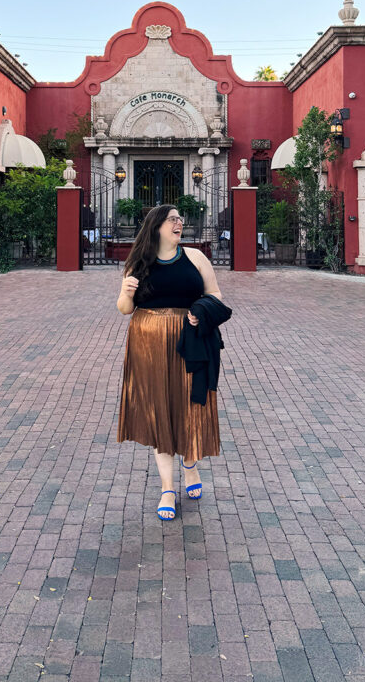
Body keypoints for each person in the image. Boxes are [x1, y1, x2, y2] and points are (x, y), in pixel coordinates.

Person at [116, 203, 223, 520]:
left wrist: (200, 312)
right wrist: (125, 291)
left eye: (180, 219)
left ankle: (190, 465)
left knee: (190, 404)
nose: (179, 223)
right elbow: (124, 309)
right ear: (157, 225)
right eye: (172, 219)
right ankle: (167, 488)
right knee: (158, 409)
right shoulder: (139, 263)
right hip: (148, 345)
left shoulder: (196, 258)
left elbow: (214, 294)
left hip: (189, 342)